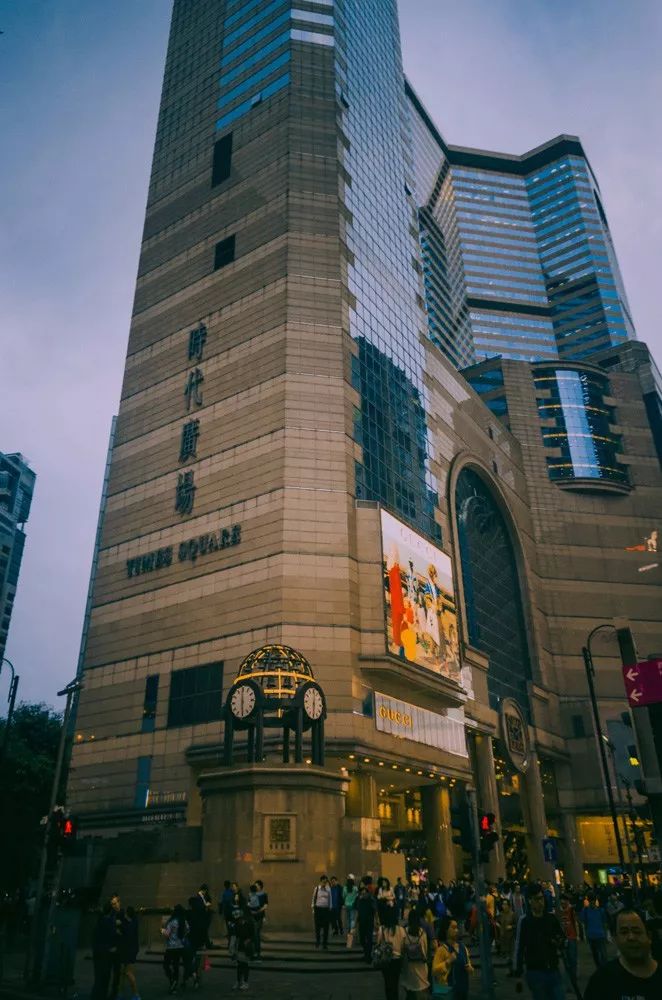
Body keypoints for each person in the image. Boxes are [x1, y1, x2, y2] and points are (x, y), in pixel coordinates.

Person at [584, 908, 662, 1000]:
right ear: (615, 939)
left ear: (649, 936)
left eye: (637, 931)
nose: (631, 937)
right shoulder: (602, 980)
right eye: (624, 932)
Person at [514, 883, 566, 1000]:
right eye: (537, 899)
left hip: (553, 969)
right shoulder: (525, 921)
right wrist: (518, 973)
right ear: (530, 901)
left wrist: (560, 941)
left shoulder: (551, 918)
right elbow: (519, 947)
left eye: (542, 898)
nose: (541, 902)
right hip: (535, 972)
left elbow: (561, 937)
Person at [432, 915, 472, 1000]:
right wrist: (448, 961)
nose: (456, 930)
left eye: (457, 928)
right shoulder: (441, 950)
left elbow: (468, 963)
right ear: (446, 930)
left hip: (463, 989)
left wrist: (470, 968)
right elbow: (434, 970)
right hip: (449, 991)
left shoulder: (463, 947)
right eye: (453, 928)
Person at [375, 900, 406, 1000]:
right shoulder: (400, 930)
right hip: (397, 960)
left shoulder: (382, 929)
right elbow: (403, 945)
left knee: (387, 983)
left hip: (386, 960)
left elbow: (378, 943)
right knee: (395, 983)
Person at [400, 908, 429, 997]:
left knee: (409, 988)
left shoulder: (404, 931)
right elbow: (425, 949)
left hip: (408, 965)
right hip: (420, 964)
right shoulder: (422, 933)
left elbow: (402, 948)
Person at [228, 896, 255, 992]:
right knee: (239, 964)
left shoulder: (249, 921)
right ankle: (238, 981)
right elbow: (235, 933)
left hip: (246, 944)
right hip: (239, 944)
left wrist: (249, 940)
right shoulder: (238, 921)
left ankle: (245, 982)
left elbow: (252, 934)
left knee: (245, 964)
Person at [90, 903, 116, 1000]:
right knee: (104, 977)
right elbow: (111, 936)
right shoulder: (109, 922)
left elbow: (95, 937)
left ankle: (96, 996)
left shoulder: (99, 921)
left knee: (98, 977)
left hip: (98, 952)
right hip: (106, 952)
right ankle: (100, 996)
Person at [162, 904, 189, 995]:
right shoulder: (183, 921)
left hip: (171, 947)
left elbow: (167, 934)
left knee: (166, 965)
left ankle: (172, 980)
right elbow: (187, 930)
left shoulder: (172, 922)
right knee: (176, 965)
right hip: (180, 947)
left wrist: (162, 931)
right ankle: (175, 982)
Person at [582, 895, 609, 968]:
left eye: (593, 901)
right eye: (591, 901)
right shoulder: (586, 911)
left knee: (602, 955)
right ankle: (601, 969)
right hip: (593, 935)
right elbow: (584, 922)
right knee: (596, 955)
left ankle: (604, 969)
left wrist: (605, 934)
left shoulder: (600, 910)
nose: (592, 903)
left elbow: (604, 923)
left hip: (598, 935)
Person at [119, 905, 140, 1000]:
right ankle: (120, 994)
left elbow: (127, 934)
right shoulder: (133, 922)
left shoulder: (130, 924)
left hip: (128, 951)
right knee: (123, 973)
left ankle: (136, 994)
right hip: (129, 950)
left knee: (128, 973)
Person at [558, 893, 579, 992]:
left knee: (573, 961)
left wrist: (577, 935)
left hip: (572, 937)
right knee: (566, 962)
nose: (562, 903)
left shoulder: (571, 910)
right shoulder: (559, 912)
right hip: (563, 938)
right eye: (561, 901)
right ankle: (568, 984)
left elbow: (575, 922)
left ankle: (573, 983)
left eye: (564, 901)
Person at [186, 893, 208, 989]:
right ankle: (198, 980)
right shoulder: (202, 913)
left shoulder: (190, 914)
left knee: (190, 960)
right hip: (201, 940)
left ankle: (194, 978)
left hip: (192, 940)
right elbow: (205, 928)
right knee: (198, 962)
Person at [356, 882, 378, 962]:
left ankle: (368, 956)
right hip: (361, 921)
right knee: (362, 939)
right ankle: (366, 954)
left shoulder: (371, 899)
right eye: (362, 892)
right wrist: (355, 922)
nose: (363, 894)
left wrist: (376, 921)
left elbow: (375, 911)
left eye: (364, 892)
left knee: (369, 939)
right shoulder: (359, 899)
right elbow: (357, 911)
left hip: (369, 921)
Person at [108, 893, 124, 1000]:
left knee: (117, 972)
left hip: (120, 948)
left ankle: (115, 992)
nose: (115, 905)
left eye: (116, 903)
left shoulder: (123, 913)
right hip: (111, 947)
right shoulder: (111, 914)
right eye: (113, 904)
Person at [312, 874, 333, 950]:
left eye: (326, 882)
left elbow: (330, 899)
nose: (324, 883)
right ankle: (318, 942)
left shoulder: (328, 889)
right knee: (317, 927)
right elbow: (313, 898)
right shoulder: (317, 888)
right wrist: (313, 909)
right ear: (321, 881)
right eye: (323, 882)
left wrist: (330, 908)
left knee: (326, 928)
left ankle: (325, 944)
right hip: (318, 909)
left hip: (326, 910)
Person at [343, 875, 358, 946]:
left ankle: (349, 931)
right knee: (352, 919)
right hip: (353, 905)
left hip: (346, 905)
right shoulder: (355, 888)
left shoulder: (345, 888)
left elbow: (343, 896)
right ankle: (351, 932)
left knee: (348, 919)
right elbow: (357, 896)